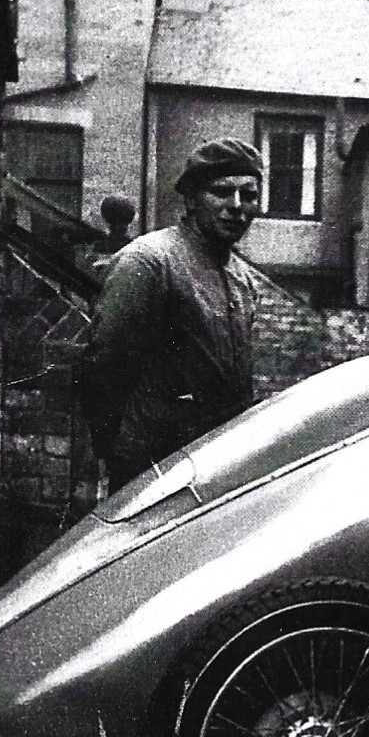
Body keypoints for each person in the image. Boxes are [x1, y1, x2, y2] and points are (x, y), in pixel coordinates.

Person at [76, 138, 264, 491]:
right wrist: (113, 455)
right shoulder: (149, 262)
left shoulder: (242, 279)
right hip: (153, 470)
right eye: (221, 192)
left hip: (216, 468)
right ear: (191, 199)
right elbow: (104, 364)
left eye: (249, 195)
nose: (237, 206)